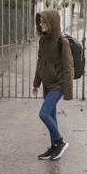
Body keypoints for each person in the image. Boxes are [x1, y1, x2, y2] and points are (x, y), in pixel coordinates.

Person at [32, 10, 73, 161]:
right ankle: (54, 147)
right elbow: (40, 63)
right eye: (40, 22)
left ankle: (60, 142)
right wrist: (36, 83)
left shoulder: (62, 42)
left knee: (43, 114)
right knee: (51, 116)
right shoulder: (43, 40)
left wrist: (67, 91)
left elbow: (68, 67)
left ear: (52, 24)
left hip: (58, 84)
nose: (41, 24)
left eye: (44, 22)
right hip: (47, 84)